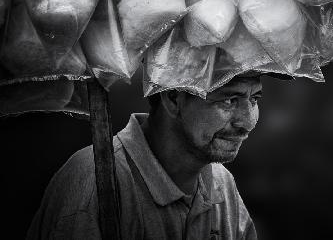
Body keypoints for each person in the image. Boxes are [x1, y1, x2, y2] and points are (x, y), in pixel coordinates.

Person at [27, 76, 262, 240]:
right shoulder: (95, 183)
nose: (247, 122)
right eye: (229, 100)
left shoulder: (221, 182)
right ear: (173, 98)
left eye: (254, 99)